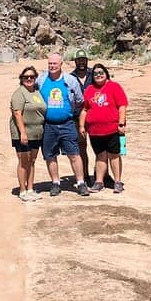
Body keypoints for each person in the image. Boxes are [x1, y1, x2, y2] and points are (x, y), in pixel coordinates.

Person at [36, 52, 89, 196]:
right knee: (50, 155)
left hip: (67, 123)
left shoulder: (70, 80)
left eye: (55, 63)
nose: (52, 66)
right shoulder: (41, 80)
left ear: (61, 64)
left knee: (74, 154)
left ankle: (80, 182)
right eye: (50, 64)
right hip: (48, 125)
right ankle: (55, 183)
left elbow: (79, 100)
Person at [80, 63, 128, 194]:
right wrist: (81, 126)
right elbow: (85, 109)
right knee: (100, 156)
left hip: (112, 129)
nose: (98, 75)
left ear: (106, 73)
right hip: (95, 131)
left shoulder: (114, 87)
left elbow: (122, 106)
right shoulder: (89, 89)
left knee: (114, 155)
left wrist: (121, 123)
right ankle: (99, 182)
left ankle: (117, 182)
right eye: (95, 74)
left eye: (101, 72)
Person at [10, 66, 46, 202]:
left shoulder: (36, 92)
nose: (29, 79)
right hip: (23, 133)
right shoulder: (19, 93)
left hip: (36, 132)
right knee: (23, 161)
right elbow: (17, 113)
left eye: (32, 77)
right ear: (21, 79)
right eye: (26, 77)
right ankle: (22, 190)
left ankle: (30, 188)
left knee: (32, 161)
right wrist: (23, 133)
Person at [69, 49, 93, 182]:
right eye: (79, 60)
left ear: (87, 60)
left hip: (95, 115)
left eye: (84, 60)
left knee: (99, 147)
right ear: (75, 62)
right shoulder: (70, 78)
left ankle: (103, 176)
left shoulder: (94, 74)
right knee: (81, 146)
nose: (82, 62)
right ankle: (85, 175)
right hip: (77, 117)